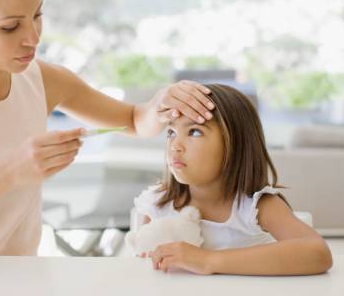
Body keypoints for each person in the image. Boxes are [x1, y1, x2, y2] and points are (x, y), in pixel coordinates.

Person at [0, 0, 215, 263]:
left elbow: (133, 120)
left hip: (22, 278)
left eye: (37, 15)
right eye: (10, 28)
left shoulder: (45, 80)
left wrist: (160, 104)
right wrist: (10, 172)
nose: (33, 38)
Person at [133, 84, 333, 275]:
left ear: (235, 144)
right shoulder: (157, 203)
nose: (175, 145)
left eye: (194, 131)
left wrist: (207, 260)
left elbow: (317, 253)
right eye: (171, 132)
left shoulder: (255, 207)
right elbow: (142, 268)